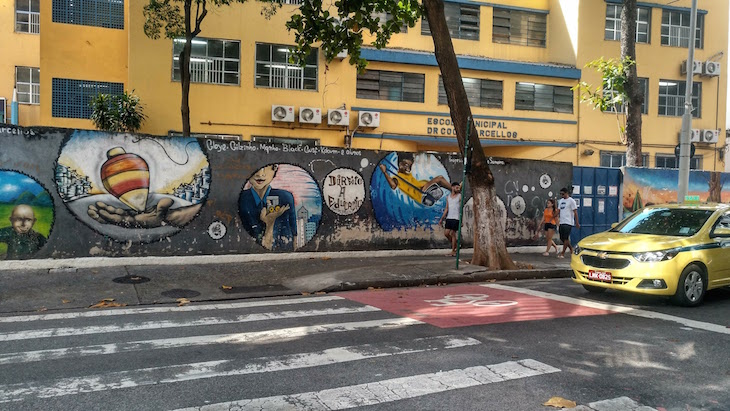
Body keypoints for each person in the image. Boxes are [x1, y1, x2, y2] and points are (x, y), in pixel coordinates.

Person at [238, 164, 297, 251]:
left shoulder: (285, 197)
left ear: (274, 169)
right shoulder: (241, 199)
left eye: (266, 167)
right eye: (255, 168)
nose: (260, 174)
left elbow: (293, 232)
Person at [379, 155, 451, 206]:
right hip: (421, 192)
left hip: (424, 188)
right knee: (440, 178)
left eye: (410, 165)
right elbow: (393, 185)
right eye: (406, 165)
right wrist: (384, 172)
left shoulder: (406, 174)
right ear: (400, 165)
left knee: (440, 183)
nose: (409, 168)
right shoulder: (397, 178)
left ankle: (452, 190)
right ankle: (454, 189)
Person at [438, 182, 462, 256]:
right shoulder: (448, 197)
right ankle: (456, 246)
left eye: (458, 187)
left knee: (453, 233)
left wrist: (461, 220)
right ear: (452, 187)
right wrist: (442, 218)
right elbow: (446, 208)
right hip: (449, 217)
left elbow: (461, 208)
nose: (457, 189)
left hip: (456, 217)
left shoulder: (459, 196)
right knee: (446, 233)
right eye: (456, 187)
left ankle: (453, 251)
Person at [557, 187, 579, 258]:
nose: (561, 195)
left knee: (566, 238)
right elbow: (558, 210)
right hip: (562, 221)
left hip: (568, 222)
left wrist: (577, 222)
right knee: (562, 238)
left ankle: (562, 253)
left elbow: (575, 212)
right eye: (560, 194)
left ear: (566, 193)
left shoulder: (571, 201)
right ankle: (571, 249)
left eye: (563, 194)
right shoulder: (560, 201)